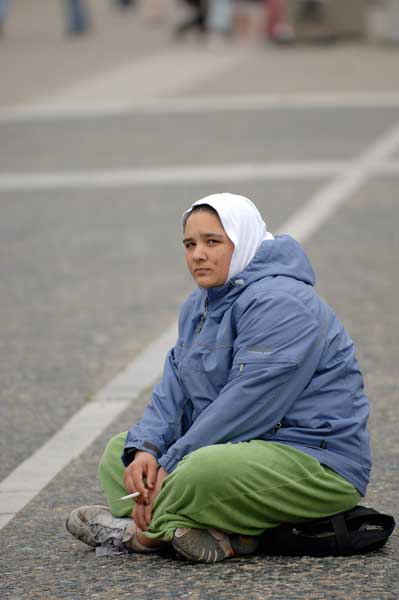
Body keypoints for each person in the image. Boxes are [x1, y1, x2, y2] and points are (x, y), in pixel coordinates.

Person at [66, 193, 371, 563]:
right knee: (121, 454)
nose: (198, 254)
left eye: (213, 242)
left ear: (242, 242)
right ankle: (217, 533)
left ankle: (140, 536)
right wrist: (148, 449)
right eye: (190, 244)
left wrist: (174, 459)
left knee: (198, 471)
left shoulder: (283, 302)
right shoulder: (200, 304)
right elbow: (173, 390)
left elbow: (247, 405)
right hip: (243, 450)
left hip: (313, 461)